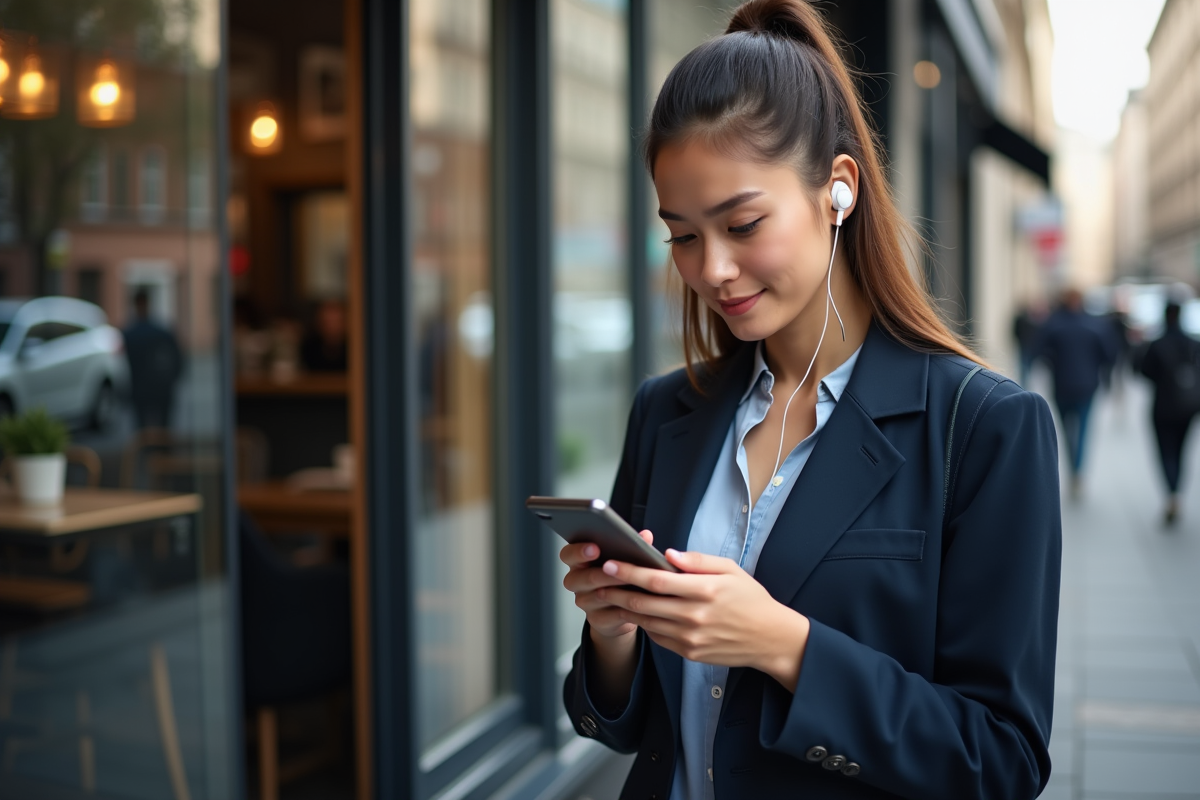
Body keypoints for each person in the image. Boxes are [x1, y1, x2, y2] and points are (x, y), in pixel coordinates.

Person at [558, 3, 1062, 798]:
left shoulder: (986, 428)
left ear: (838, 189)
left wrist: (785, 644)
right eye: (683, 235)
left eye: (743, 222)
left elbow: (1000, 759)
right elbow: (622, 723)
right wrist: (613, 630)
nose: (713, 269)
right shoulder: (667, 413)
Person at [1034, 288, 1115, 498]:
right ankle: (1078, 472)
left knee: (1067, 430)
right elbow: (1109, 355)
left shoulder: (1053, 324)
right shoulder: (1095, 325)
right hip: (1087, 386)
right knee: (1084, 430)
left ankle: (1074, 468)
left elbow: (1040, 351)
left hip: (1062, 385)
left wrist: (1054, 363)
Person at [1138, 302, 1200, 525]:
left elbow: (1143, 370)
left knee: (1166, 451)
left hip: (1163, 406)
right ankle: (1176, 493)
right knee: (1182, 451)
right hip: (1187, 408)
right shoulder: (1193, 343)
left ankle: (1171, 493)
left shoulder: (1157, 344)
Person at [123, 288, 183, 430]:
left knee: (143, 432)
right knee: (162, 431)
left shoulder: (129, 335)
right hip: (161, 389)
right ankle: (163, 452)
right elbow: (178, 360)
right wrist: (171, 380)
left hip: (140, 390)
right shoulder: (162, 332)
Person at [300, 298, 348, 372]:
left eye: (335, 322)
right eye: (327, 322)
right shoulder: (309, 347)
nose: (331, 327)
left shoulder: (353, 349)